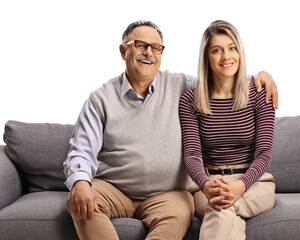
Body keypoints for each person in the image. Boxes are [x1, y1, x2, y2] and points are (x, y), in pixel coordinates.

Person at [63, 20, 278, 240]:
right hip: (115, 189)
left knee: (200, 211)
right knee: (80, 198)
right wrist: (80, 182)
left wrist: (261, 76)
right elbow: (81, 151)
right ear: (122, 51)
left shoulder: (179, 85)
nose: (149, 53)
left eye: (156, 48)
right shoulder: (100, 99)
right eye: (140, 45)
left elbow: (223, 76)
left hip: (168, 195)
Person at [179, 20, 276, 240]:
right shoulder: (189, 101)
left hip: (255, 183)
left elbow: (264, 153)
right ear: (206, 57)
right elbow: (192, 155)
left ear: (240, 53)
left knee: (221, 209)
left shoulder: (261, 95)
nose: (226, 57)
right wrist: (205, 185)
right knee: (224, 211)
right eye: (217, 50)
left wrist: (240, 185)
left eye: (232, 48)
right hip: (209, 185)